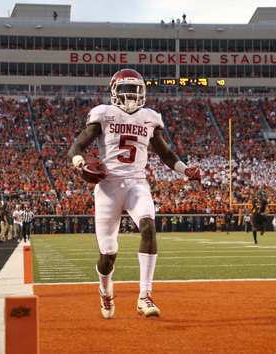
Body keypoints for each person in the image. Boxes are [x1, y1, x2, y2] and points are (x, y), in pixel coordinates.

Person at [67, 68, 201, 319]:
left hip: (136, 183)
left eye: (136, 89)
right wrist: (80, 163)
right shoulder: (103, 113)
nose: (131, 94)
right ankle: (105, 291)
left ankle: (144, 295)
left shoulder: (150, 117)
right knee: (108, 255)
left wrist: (185, 170)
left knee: (149, 225)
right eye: (126, 89)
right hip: (108, 187)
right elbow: (77, 146)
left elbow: (165, 153)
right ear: (114, 91)